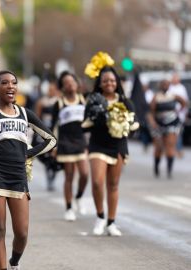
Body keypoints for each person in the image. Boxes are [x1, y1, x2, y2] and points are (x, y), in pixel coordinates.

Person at [0, 68, 56, 270]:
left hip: (18, 176)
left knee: (22, 233)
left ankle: (14, 261)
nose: (10, 86)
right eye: (5, 83)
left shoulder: (26, 114)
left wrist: (28, 154)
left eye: (13, 82)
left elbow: (51, 140)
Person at [82, 66, 138, 237]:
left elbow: (134, 125)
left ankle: (111, 222)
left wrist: (126, 125)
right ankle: (100, 217)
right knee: (98, 182)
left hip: (118, 146)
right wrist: (99, 119)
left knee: (113, 185)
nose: (109, 83)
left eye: (112, 80)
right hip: (98, 145)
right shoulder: (93, 99)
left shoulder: (125, 101)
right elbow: (85, 123)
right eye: (105, 80)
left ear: (117, 83)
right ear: (100, 83)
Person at [51, 71, 89, 221]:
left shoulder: (83, 100)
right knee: (69, 176)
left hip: (80, 142)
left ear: (77, 84)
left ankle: (79, 197)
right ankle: (68, 208)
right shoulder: (59, 103)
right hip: (65, 143)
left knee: (85, 174)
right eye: (66, 83)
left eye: (72, 82)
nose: (70, 85)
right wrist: (53, 146)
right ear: (62, 87)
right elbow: (53, 126)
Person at [148, 79, 186, 179]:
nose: (165, 86)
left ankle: (169, 170)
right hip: (159, 124)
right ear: (160, 85)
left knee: (170, 146)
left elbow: (184, 102)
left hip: (172, 123)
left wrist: (179, 111)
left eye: (166, 84)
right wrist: (153, 122)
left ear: (169, 85)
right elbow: (150, 112)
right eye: (163, 84)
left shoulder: (173, 95)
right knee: (159, 147)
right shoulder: (156, 97)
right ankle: (156, 166)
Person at [34, 78, 60, 191]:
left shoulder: (59, 101)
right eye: (50, 89)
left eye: (53, 89)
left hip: (55, 131)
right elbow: (37, 117)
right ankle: (48, 174)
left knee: (54, 156)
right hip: (44, 132)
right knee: (45, 154)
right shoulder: (42, 102)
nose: (51, 91)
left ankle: (52, 174)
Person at [167, 73, 189, 158]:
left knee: (177, 133)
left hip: (179, 115)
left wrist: (184, 113)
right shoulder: (170, 87)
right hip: (169, 114)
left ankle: (178, 149)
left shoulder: (181, 88)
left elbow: (184, 102)